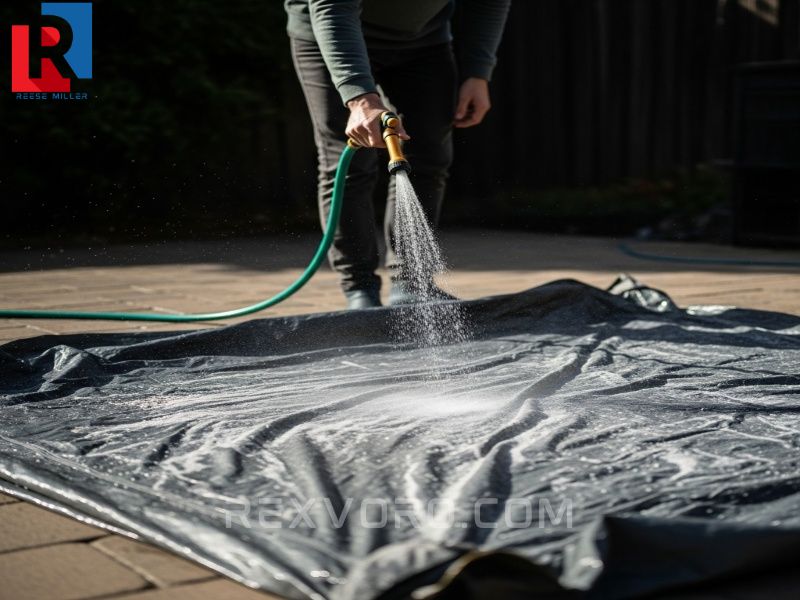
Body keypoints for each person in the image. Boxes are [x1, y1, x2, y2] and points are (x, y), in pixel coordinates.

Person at [285, 0, 511, 309]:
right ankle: (360, 290)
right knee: (350, 161)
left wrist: (478, 72)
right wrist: (359, 96)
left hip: (424, 41)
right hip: (332, 33)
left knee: (428, 157)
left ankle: (411, 285)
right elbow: (332, 9)